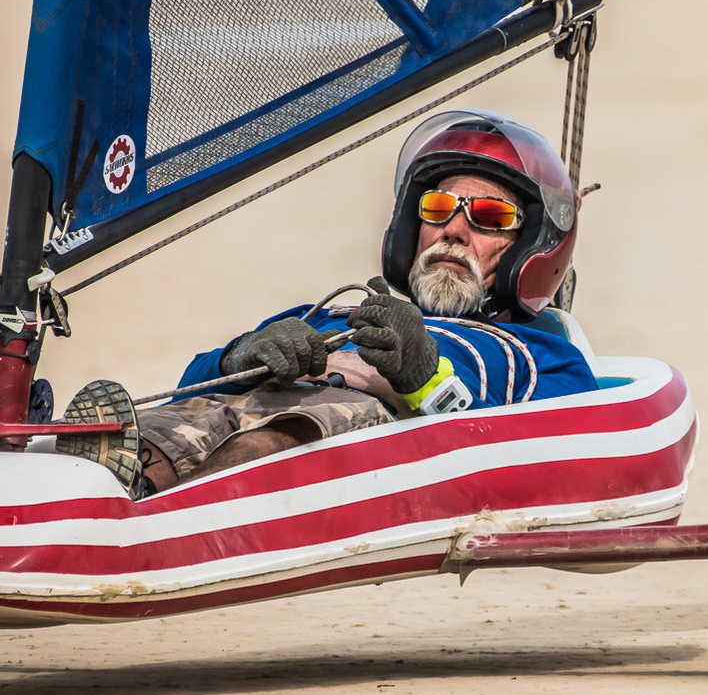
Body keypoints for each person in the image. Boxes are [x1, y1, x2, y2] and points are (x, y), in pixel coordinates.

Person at [57, 111, 599, 497]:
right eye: (437, 207)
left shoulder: (535, 350)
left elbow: (564, 442)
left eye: (490, 216)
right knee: (181, 421)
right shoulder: (335, 312)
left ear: (531, 248)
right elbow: (195, 378)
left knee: (289, 428)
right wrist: (241, 356)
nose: (454, 229)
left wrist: (424, 374)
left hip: (361, 431)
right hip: (252, 406)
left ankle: (154, 523)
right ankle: (108, 484)